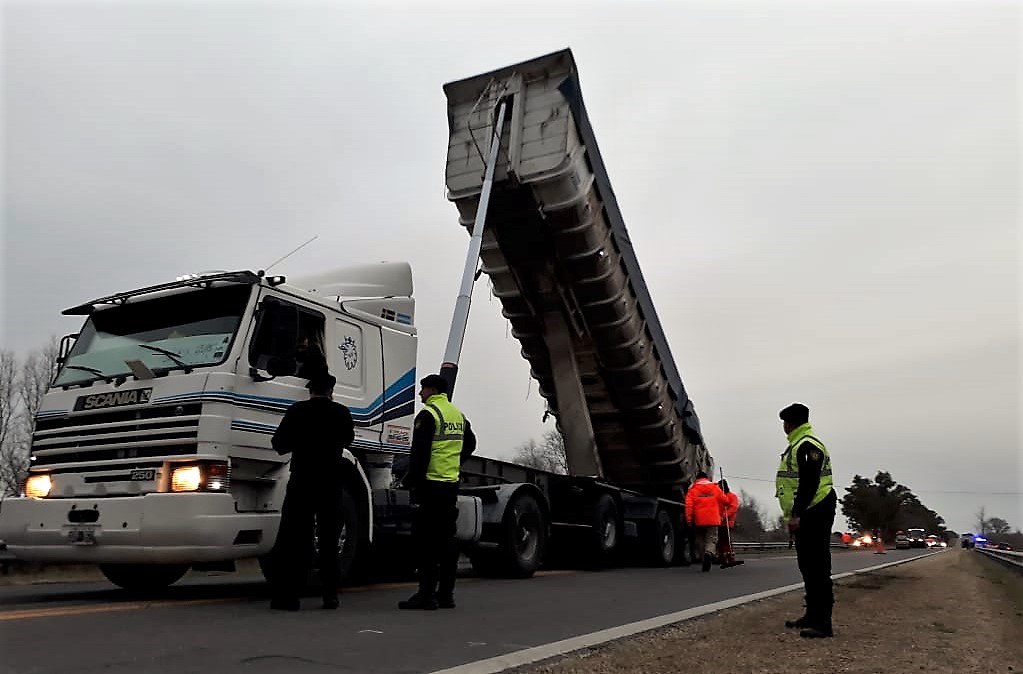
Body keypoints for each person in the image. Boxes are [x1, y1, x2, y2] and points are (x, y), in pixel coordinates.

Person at [268, 373, 355, 611]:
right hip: (330, 484)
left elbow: (279, 445)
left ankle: (289, 597)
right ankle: (330, 596)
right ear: (331, 391)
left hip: (302, 483)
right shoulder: (341, 413)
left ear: (310, 390)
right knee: (329, 541)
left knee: (295, 539)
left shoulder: (297, 411)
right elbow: (348, 440)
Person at [398, 374, 477, 610]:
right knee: (447, 540)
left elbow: (420, 455)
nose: (420, 394)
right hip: (449, 484)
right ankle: (446, 594)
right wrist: (454, 461)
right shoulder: (457, 415)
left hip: (430, 484)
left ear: (432, 390)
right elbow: (471, 443)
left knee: (426, 542)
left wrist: (412, 482)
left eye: (422, 390)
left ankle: (426, 595)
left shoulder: (428, 414)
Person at [775, 402, 836, 638]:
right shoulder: (798, 444)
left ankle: (824, 622)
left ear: (791, 423)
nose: (784, 426)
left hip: (815, 509)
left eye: (785, 422)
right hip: (809, 510)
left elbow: (809, 484)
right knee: (808, 567)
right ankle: (812, 615)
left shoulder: (808, 445)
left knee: (818, 567)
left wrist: (796, 514)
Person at [684, 471, 729, 572]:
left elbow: (689, 506)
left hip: (699, 520)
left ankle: (703, 558)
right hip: (713, 519)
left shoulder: (692, 490)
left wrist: (689, 520)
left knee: (700, 540)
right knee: (711, 539)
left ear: (697, 478)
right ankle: (708, 553)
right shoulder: (714, 488)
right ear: (707, 478)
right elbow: (725, 501)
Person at [717, 479, 741, 568]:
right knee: (719, 541)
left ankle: (730, 557)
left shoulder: (732, 496)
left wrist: (724, 516)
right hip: (718, 522)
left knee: (726, 540)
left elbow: (733, 508)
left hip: (727, 522)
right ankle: (721, 557)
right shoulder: (719, 496)